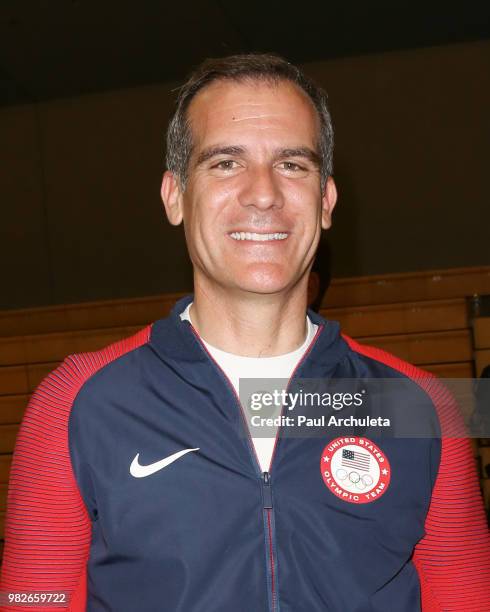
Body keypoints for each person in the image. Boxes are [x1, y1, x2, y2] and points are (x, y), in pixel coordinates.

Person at [1, 53, 489, 612]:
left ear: (326, 201)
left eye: (293, 165)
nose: (263, 194)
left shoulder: (421, 405)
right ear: (174, 196)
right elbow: (31, 597)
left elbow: (464, 596)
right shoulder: (76, 401)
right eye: (226, 163)